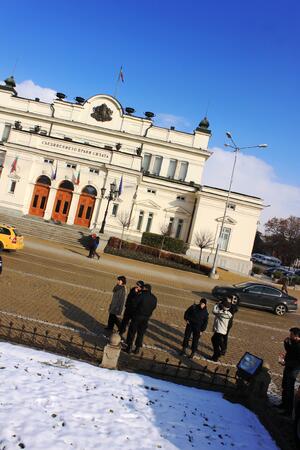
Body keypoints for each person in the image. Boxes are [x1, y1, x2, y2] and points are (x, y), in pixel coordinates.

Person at [125, 283, 157, 354]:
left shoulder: (141, 295)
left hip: (137, 316)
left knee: (132, 332)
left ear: (145, 288)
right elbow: (154, 307)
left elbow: (134, 304)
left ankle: (129, 347)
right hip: (146, 318)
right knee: (141, 333)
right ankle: (137, 348)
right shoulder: (154, 298)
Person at [276, 327, 300, 416]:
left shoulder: (299, 346)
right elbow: (289, 351)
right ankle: (283, 404)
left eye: (291, 334)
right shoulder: (293, 342)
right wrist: (286, 343)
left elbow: (297, 361)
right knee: (284, 385)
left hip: (294, 368)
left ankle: (288, 410)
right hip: (289, 366)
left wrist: (286, 363)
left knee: (289, 388)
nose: (289, 335)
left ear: (296, 336)